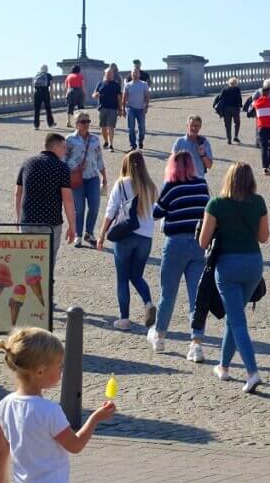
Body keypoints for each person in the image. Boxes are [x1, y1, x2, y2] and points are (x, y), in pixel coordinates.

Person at [0, 328, 115, 483]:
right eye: (59, 366)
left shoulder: (5, 405)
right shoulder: (49, 411)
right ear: (40, 371)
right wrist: (95, 418)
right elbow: (75, 445)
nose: (61, 370)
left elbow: (2, 452)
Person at [198, 162, 269, 394]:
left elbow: (203, 242)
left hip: (227, 266)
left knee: (237, 321)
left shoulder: (216, 204)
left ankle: (252, 372)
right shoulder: (258, 202)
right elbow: (264, 237)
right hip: (253, 265)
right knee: (234, 315)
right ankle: (224, 366)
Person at [148, 151, 212, 362]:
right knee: (197, 297)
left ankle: (159, 335)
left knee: (168, 293)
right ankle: (196, 343)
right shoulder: (201, 185)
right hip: (198, 243)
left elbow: (156, 213)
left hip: (175, 243)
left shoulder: (171, 186)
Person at [96, 150, 158, 331]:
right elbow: (155, 213)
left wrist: (101, 235)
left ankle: (124, 318)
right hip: (145, 237)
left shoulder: (121, 184)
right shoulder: (150, 186)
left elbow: (110, 211)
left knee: (122, 278)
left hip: (125, 236)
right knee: (136, 275)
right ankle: (148, 303)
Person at [15, 133, 77, 261]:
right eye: (64, 147)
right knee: (46, 262)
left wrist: (18, 218)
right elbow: (67, 199)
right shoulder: (61, 167)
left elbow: (18, 193)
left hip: (27, 221)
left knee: (25, 261)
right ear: (55, 147)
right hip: (50, 222)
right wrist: (72, 225)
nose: (65, 151)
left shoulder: (27, 163)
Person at [65, 113, 107, 248]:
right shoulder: (69, 139)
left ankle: (89, 233)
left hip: (92, 177)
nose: (86, 124)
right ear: (76, 123)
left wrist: (104, 177)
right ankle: (78, 235)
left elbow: (99, 158)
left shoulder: (95, 139)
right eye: (83, 122)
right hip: (76, 178)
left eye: (88, 121)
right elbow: (63, 160)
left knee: (94, 206)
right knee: (79, 208)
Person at [253, 80, 270, 175]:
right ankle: (267, 165)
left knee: (263, 147)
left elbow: (253, 104)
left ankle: (265, 167)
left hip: (260, 127)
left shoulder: (256, 103)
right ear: (268, 93)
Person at [93, 68, 122, 152]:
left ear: (113, 75)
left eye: (110, 74)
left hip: (113, 108)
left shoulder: (116, 85)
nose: (109, 75)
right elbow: (94, 94)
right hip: (102, 108)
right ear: (105, 74)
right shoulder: (100, 83)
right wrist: (96, 95)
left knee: (111, 127)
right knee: (103, 127)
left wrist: (120, 109)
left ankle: (111, 144)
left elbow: (119, 97)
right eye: (107, 74)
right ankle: (106, 141)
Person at [122, 68, 150, 150]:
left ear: (139, 74)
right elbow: (124, 98)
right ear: (131, 74)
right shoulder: (127, 85)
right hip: (131, 108)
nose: (135, 74)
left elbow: (147, 96)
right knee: (131, 128)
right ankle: (132, 145)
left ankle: (140, 140)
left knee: (142, 128)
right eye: (133, 73)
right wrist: (123, 109)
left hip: (141, 109)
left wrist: (146, 106)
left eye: (136, 73)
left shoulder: (144, 84)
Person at [217, 77, 243, 144]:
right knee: (237, 123)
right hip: (235, 108)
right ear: (236, 83)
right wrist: (240, 105)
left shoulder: (225, 89)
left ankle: (229, 139)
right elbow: (240, 99)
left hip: (226, 109)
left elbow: (220, 98)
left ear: (229, 83)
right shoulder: (237, 89)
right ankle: (236, 136)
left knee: (228, 124)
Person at [32, 65, 56, 130]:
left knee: (37, 109)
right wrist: (52, 94)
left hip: (37, 93)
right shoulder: (48, 75)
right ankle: (50, 123)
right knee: (48, 108)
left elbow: (33, 85)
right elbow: (51, 85)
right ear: (47, 69)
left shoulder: (37, 75)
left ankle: (36, 125)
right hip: (45, 92)